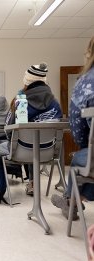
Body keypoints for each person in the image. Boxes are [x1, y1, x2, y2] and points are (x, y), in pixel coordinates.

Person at [2, 62, 62, 196]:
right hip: (49, 152)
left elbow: (7, 128)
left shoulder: (19, 101)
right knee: (35, 142)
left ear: (27, 81)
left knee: (28, 143)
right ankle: (33, 182)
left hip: (22, 152)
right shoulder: (55, 103)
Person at [51, 37, 94, 220]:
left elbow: (79, 134)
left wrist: (85, 146)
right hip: (49, 150)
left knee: (83, 157)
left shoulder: (85, 83)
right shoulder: (53, 103)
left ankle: (71, 201)